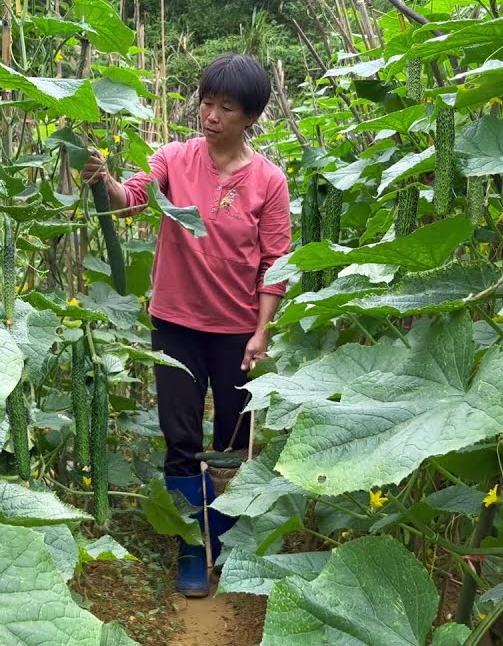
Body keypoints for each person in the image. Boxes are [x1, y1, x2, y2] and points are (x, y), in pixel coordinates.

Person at [80, 53, 292, 597]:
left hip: (237, 329)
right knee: (180, 438)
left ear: (250, 117)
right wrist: (104, 180)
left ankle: (224, 543)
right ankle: (192, 548)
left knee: (231, 442)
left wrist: (262, 331)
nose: (211, 115)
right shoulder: (174, 159)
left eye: (227, 108)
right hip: (175, 323)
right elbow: (131, 198)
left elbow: (275, 262)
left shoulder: (269, 181)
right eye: (206, 102)